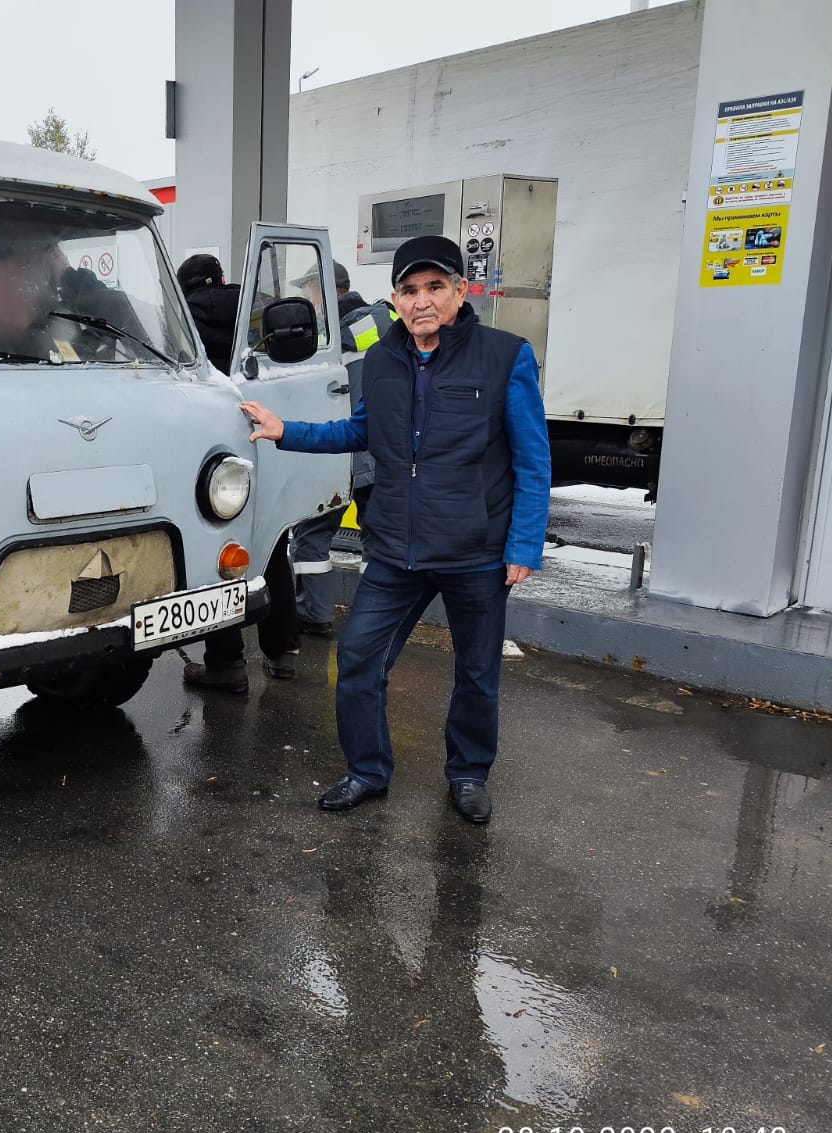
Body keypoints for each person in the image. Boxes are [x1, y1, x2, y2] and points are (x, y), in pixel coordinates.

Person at [240, 235, 551, 824]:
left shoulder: (507, 357)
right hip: (396, 550)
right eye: (410, 290)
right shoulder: (382, 359)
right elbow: (359, 432)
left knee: (478, 675)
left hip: (475, 552)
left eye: (436, 287)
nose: (422, 301)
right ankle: (366, 770)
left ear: (462, 291)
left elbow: (534, 461)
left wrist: (524, 544)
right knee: (358, 660)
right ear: (396, 298)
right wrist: (287, 430)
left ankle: (466, 775)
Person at [176, 252, 300, 695]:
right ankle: (283, 651)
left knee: (216, 552)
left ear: (183, 285)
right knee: (271, 543)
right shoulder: (258, 308)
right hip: (267, 439)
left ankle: (226, 663)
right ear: (223, 277)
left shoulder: (179, 317)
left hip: (207, 456)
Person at [288, 261, 397, 636]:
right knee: (376, 538)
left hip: (341, 451)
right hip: (384, 454)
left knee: (312, 532)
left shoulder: (333, 334)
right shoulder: (390, 322)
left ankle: (314, 614)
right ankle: (375, 618)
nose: (309, 301)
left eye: (310, 294)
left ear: (325, 291)